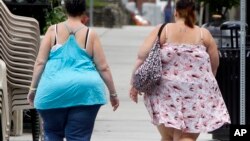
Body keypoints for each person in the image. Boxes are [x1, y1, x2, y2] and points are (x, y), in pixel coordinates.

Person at [129, 0, 230, 141]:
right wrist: (207, 85)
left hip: (166, 92)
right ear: (193, 14)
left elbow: (141, 57)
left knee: (168, 136)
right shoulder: (203, 34)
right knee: (187, 136)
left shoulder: (164, 30)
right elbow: (214, 64)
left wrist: (134, 84)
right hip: (196, 92)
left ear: (175, 12)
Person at [27, 0, 119, 140]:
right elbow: (103, 67)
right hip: (86, 91)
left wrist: (33, 90)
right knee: (79, 136)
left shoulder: (53, 31)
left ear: (65, 10)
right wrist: (113, 94)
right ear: (84, 12)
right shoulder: (90, 34)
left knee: (52, 133)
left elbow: (40, 62)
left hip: (53, 89)